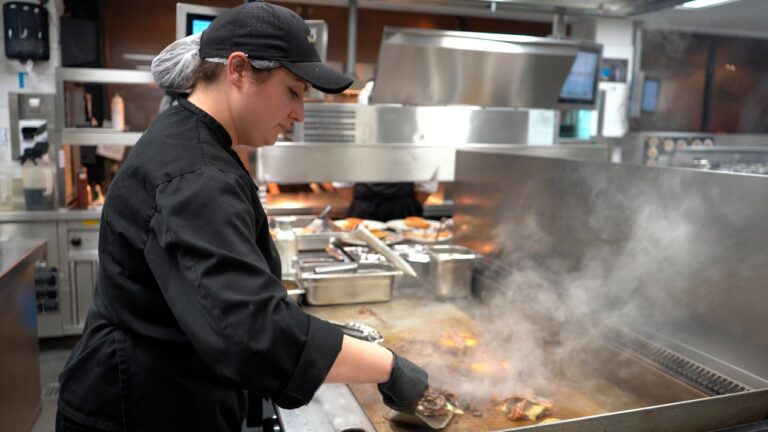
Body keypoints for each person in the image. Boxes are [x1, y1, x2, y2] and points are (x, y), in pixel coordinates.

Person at [56, 2, 428, 431]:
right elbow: (253, 333)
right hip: (136, 407)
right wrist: (389, 366)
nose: (299, 114)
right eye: (293, 92)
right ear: (237, 69)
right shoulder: (196, 173)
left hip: (161, 392)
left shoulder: (193, 141)